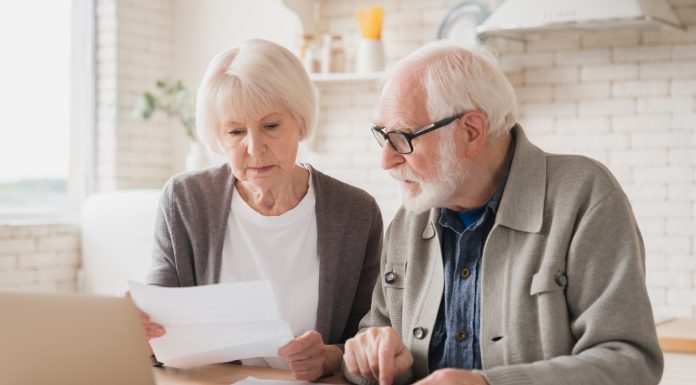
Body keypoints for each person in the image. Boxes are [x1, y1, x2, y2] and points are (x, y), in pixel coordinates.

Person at [341, 40, 663, 385]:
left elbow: (630, 364)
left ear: (471, 131)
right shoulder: (410, 218)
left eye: (403, 136)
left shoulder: (583, 196)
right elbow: (372, 338)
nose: (386, 160)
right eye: (383, 136)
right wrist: (371, 356)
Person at [140, 39, 383, 382]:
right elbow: (157, 334)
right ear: (218, 138)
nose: (254, 147)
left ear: (300, 122)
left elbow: (369, 335)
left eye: (271, 126)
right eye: (236, 132)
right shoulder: (184, 201)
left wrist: (328, 357)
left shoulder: (356, 213)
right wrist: (140, 329)